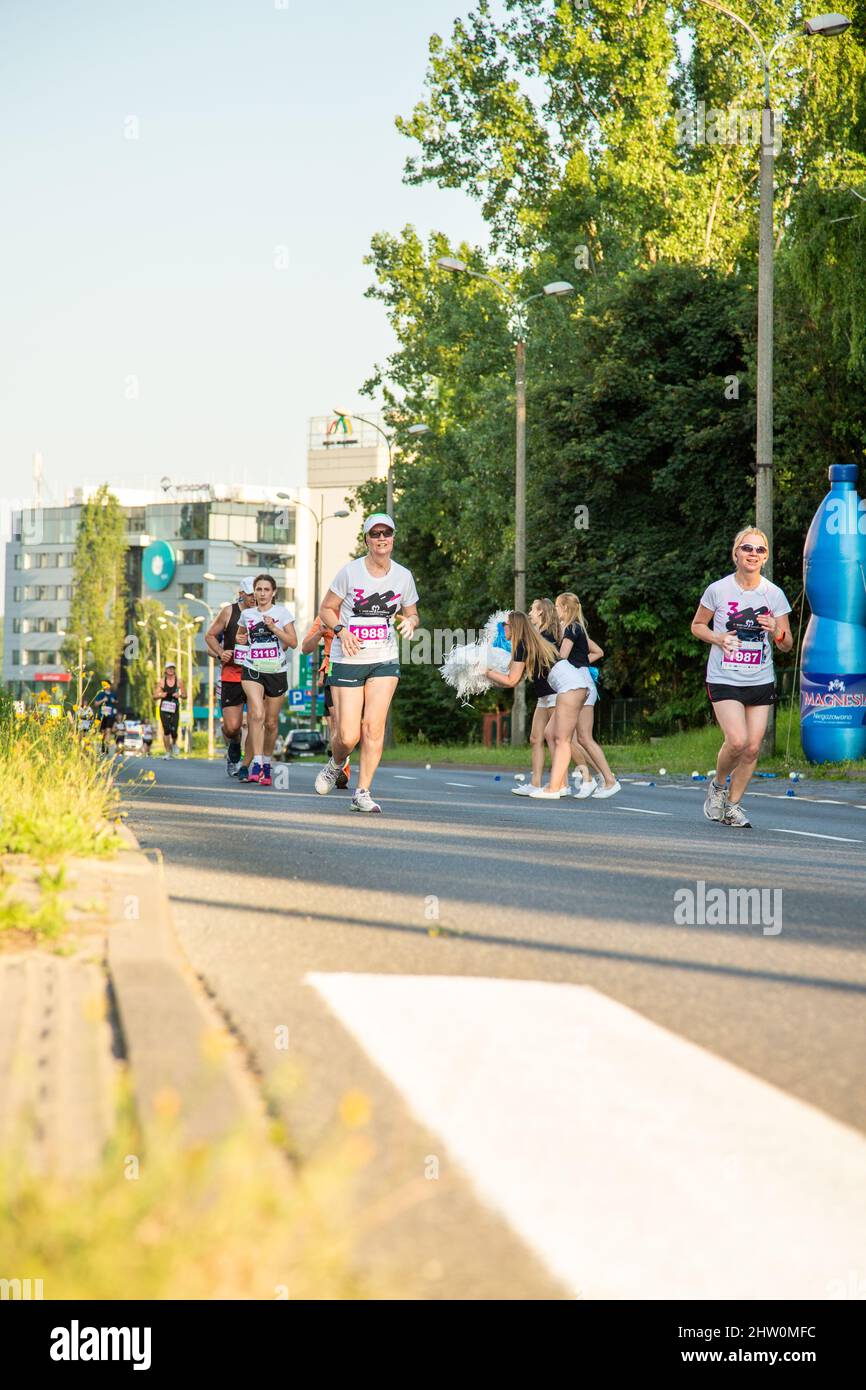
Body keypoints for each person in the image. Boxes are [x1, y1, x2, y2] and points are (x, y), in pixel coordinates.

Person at [314, 512, 419, 813]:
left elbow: (412, 612)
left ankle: (363, 791)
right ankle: (336, 762)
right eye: (376, 534)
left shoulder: (403, 576)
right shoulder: (350, 572)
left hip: (384, 658)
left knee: (374, 727)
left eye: (387, 533)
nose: (382, 538)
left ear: (393, 538)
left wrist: (411, 622)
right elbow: (327, 609)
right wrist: (341, 630)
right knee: (348, 735)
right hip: (347, 658)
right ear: (366, 540)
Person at [691, 527, 792, 828]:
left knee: (752, 747)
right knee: (736, 741)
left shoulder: (774, 594)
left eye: (759, 550)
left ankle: (733, 806)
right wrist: (719, 638)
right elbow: (697, 626)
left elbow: (786, 644)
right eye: (747, 548)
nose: (753, 554)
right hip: (724, 676)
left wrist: (776, 628)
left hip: (760, 678)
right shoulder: (718, 590)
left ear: (765, 557)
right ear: (736, 553)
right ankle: (718, 786)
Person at [530, 592, 621, 800]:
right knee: (576, 737)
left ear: (564, 608)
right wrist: (582, 661)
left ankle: (607, 779)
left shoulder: (571, 628)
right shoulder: (576, 627)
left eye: (557, 606)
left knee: (581, 738)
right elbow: (596, 651)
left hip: (577, 682)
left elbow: (561, 656)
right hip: (580, 679)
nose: (555, 610)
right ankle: (598, 779)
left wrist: (545, 651)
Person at [513, 597, 594, 797]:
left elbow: (563, 657)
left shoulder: (550, 634)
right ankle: (539, 783)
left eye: (532, 609)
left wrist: (580, 667)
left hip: (555, 692)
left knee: (564, 740)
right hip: (543, 693)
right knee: (539, 737)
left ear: (541, 612)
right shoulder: (537, 634)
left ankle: (589, 777)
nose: (530, 612)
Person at [236, 574, 297, 786]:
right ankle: (257, 763)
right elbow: (240, 636)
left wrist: (274, 628)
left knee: (271, 723)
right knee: (257, 715)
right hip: (252, 668)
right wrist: (240, 639)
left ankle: (267, 764)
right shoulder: (247, 614)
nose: (262, 593)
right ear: (254, 592)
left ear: (273, 593)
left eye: (266, 590)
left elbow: (293, 642)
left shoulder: (282, 613)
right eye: (258, 589)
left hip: (276, 671)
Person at [206, 578, 257, 776]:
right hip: (231, 675)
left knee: (256, 721)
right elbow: (210, 637)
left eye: (257, 594)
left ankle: (246, 764)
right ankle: (234, 745)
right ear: (242, 594)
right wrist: (220, 652)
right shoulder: (229, 612)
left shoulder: (266, 613)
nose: (255, 598)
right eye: (251, 594)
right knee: (232, 726)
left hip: (256, 675)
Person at [300, 616, 350, 788]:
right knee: (336, 721)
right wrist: (320, 633)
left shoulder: (359, 608)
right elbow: (305, 648)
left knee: (351, 724)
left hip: (358, 668)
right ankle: (340, 766)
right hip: (333, 669)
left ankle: (337, 760)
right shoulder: (324, 616)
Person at [154, 662, 186, 758]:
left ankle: (174, 744)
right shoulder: (162, 682)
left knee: (174, 730)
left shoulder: (179, 681)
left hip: (174, 707)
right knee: (166, 729)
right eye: (169, 668)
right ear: (165, 670)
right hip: (164, 707)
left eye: (172, 668)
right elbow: (154, 696)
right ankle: (167, 752)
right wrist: (160, 695)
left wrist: (179, 695)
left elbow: (185, 695)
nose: (171, 670)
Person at [93, 680, 119, 754]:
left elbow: (117, 702)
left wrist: (114, 701)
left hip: (110, 716)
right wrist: (103, 700)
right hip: (102, 716)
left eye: (107, 685)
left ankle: (106, 748)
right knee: (103, 732)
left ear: (110, 685)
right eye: (104, 685)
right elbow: (96, 704)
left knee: (108, 731)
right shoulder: (101, 694)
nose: (106, 686)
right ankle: (103, 745)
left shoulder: (113, 694)